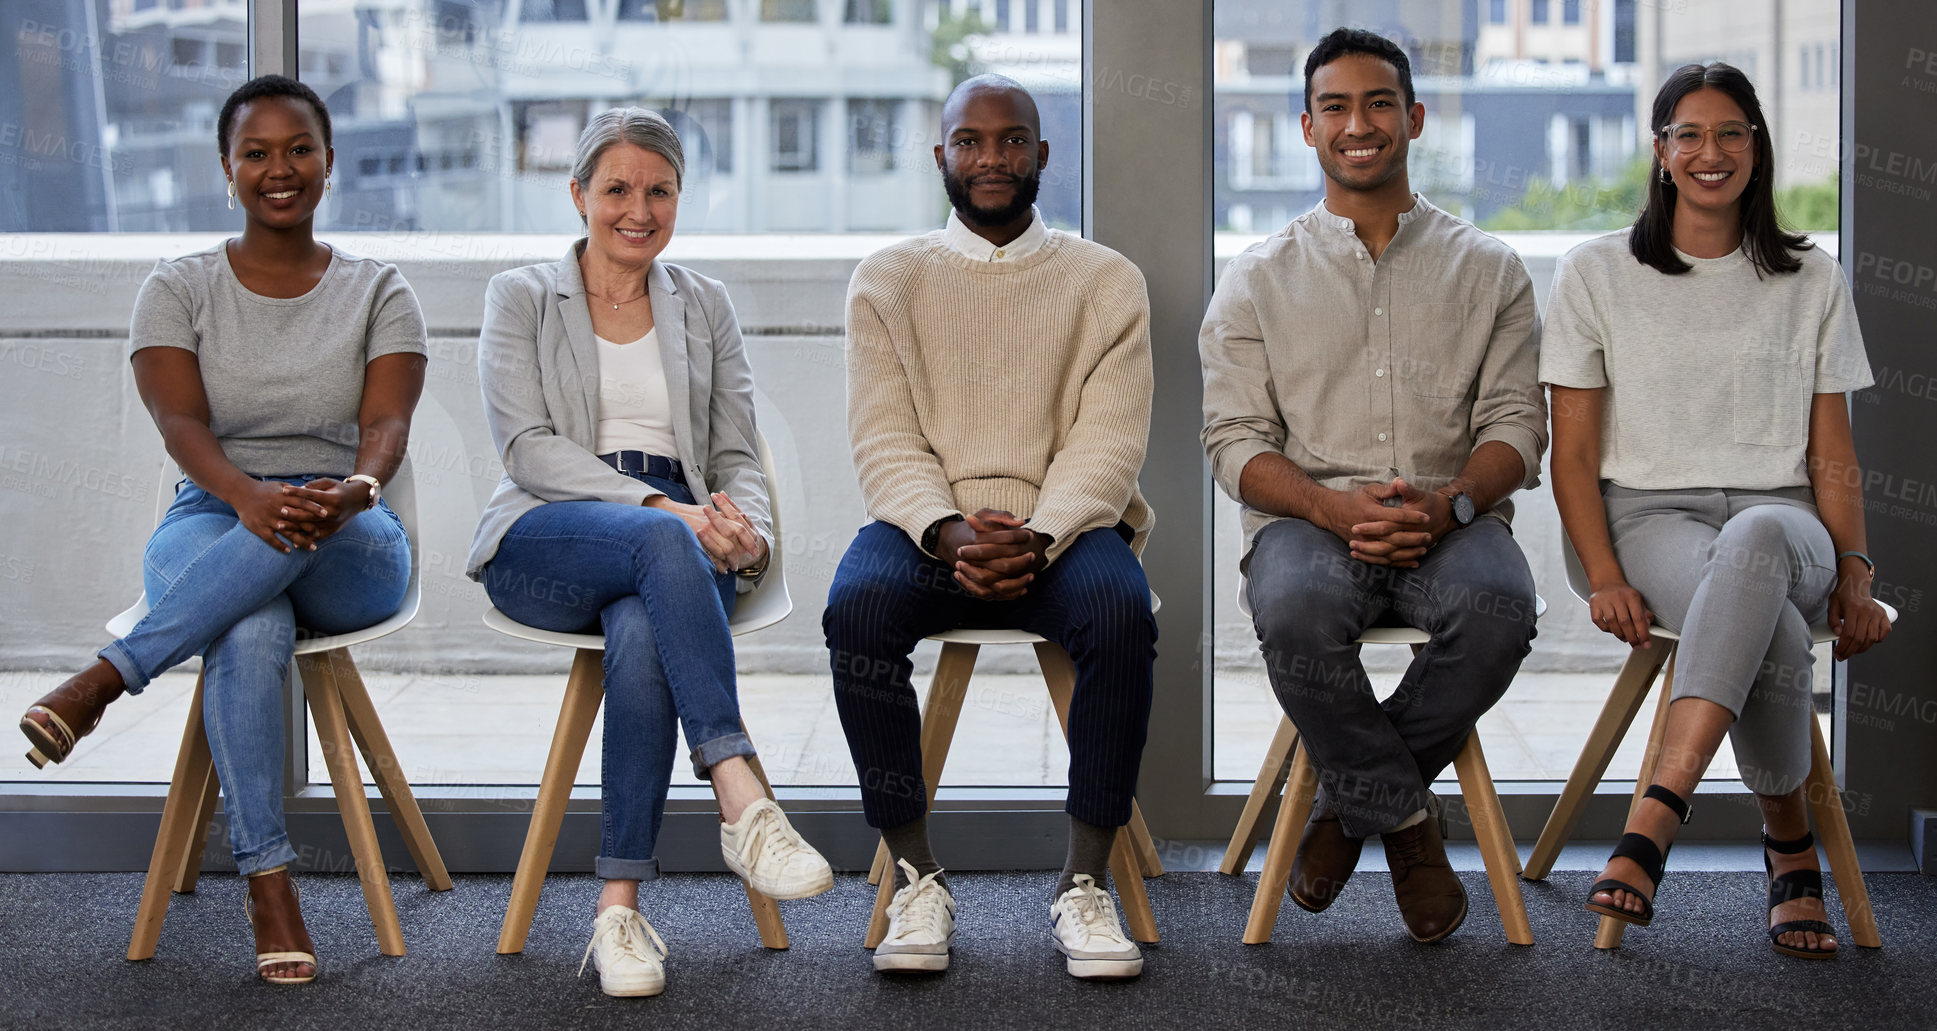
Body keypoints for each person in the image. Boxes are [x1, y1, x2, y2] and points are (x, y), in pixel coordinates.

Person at [14, 75, 425, 985]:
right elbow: (182, 428)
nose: (280, 169)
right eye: (256, 153)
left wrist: (352, 490)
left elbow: (387, 430)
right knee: (249, 619)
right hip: (212, 514)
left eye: (299, 149)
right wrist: (246, 497)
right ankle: (270, 884)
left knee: (270, 570)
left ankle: (105, 678)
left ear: (328, 160)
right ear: (227, 170)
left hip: (346, 529)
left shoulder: (377, 289)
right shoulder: (178, 287)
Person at [468, 107, 832, 998]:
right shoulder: (519, 295)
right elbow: (527, 447)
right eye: (618, 189)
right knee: (660, 543)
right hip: (549, 529)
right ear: (579, 194)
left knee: (641, 630)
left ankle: (617, 910)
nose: (639, 208)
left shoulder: (703, 303)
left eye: (659, 189)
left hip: (679, 538)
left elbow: (738, 452)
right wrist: (662, 507)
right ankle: (738, 790)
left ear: (678, 197)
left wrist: (749, 531)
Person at [1199, 28, 1546, 944]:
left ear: (1415, 118)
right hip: (1308, 522)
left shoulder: (1491, 269)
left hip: (1454, 513)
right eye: (1337, 108)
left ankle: (1344, 810)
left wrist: (1448, 504)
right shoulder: (1255, 279)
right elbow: (1232, 441)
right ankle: (1401, 822)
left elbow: (1516, 427)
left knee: (1501, 608)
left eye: (1379, 103)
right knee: (1296, 611)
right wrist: (1328, 505)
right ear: (1306, 127)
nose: (1360, 125)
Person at [1543, 62, 1890, 960]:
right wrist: (1606, 575)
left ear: (1756, 148)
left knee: (1758, 537)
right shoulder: (1594, 274)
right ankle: (1789, 852)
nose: (1710, 152)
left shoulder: (1811, 277)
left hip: (1788, 525)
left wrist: (1855, 569)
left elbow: (1831, 453)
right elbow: (1573, 456)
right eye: (1687, 135)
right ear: (1659, 153)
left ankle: (1655, 812)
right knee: (1757, 609)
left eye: (1730, 133)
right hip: (1645, 522)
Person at [822, 74, 1157, 979]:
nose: (991, 158)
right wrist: (949, 533)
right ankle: (916, 876)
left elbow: (1109, 444)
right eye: (969, 142)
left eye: (1012, 141)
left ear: (1041, 155)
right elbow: (882, 438)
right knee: (855, 610)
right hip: (928, 528)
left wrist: (1039, 536)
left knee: (1123, 615)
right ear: (941, 158)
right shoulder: (888, 280)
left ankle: (1084, 882)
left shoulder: (1103, 280)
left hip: (1067, 529)